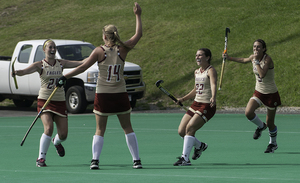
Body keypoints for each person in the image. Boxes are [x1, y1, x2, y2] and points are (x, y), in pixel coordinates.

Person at [56, 2, 143, 169]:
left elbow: (82, 67)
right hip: (120, 93)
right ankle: (136, 160)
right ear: (116, 35)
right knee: (127, 127)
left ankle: (95, 160)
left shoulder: (98, 51)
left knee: (100, 129)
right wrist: (138, 15)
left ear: (104, 36)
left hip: (103, 94)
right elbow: (138, 34)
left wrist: (65, 76)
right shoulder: (122, 49)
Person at [12, 39, 86, 167]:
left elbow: (79, 63)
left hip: (60, 101)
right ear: (44, 50)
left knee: (63, 134)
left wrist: (93, 58)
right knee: (49, 128)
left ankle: (56, 142)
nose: (52, 50)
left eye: (54, 48)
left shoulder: (61, 63)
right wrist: (17, 73)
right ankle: (41, 158)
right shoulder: (39, 65)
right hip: (45, 101)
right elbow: (24, 71)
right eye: (50, 47)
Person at [222, 39, 281, 153]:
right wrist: (229, 58)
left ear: (263, 49)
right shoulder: (252, 57)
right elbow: (244, 60)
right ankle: (260, 126)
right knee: (248, 112)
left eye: (258, 47)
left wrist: (257, 62)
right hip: (259, 91)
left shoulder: (267, 59)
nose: (255, 49)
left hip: (271, 94)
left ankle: (273, 144)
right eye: (254, 47)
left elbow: (262, 74)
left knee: (270, 123)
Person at [173, 48, 217, 166]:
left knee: (191, 127)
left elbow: (213, 84)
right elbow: (196, 89)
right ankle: (200, 146)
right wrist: (183, 98)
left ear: (207, 57)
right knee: (181, 131)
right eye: (196, 55)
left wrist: (213, 96)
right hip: (196, 104)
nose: (197, 57)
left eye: (200, 55)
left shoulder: (210, 70)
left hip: (207, 104)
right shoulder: (197, 72)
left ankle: (185, 159)